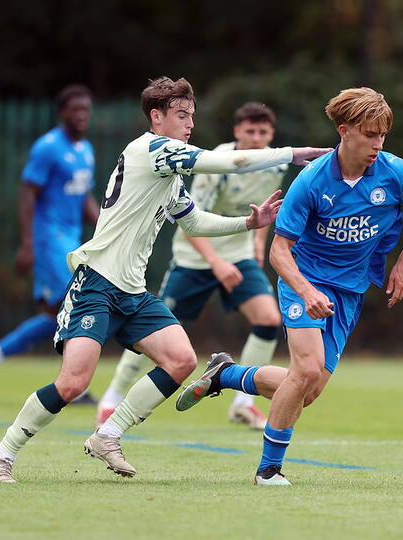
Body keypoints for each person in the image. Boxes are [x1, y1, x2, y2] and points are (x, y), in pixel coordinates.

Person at [0, 76, 330, 483]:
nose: (189, 124)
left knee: (182, 360)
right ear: (156, 116)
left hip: (132, 291)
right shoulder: (151, 149)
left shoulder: (169, 171)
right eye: (181, 116)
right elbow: (224, 161)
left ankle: (108, 434)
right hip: (97, 282)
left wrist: (247, 222)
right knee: (73, 383)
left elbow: (194, 221)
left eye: (191, 117)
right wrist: (289, 153)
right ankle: (2, 454)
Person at [176, 87, 403, 486]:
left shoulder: (392, 170)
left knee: (308, 390)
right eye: (369, 134)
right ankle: (268, 470)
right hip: (305, 281)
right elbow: (279, 253)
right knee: (306, 369)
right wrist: (308, 291)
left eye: (383, 135)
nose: (377, 144)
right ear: (344, 130)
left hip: (349, 292)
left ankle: (226, 374)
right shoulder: (311, 181)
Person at [95, 102, 286, 431]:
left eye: (263, 132)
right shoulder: (217, 165)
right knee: (151, 333)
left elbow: (266, 207)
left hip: (238, 256)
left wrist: (256, 243)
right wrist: (216, 263)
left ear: (271, 134)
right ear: (237, 132)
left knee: (269, 319)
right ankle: (111, 397)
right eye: (249, 131)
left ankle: (243, 404)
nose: (256, 138)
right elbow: (191, 221)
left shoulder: (273, 166)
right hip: (195, 259)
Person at [0, 84, 100, 405]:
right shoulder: (48, 147)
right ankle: (74, 386)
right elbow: (27, 196)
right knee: (78, 303)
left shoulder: (86, 150)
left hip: (71, 239)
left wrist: (108, 229)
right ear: (63, 113)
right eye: (75, 110)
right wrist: (27, 244)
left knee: (56, 314)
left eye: (86, 110)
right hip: (48, 238)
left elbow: (84, 199)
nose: (81, 115)